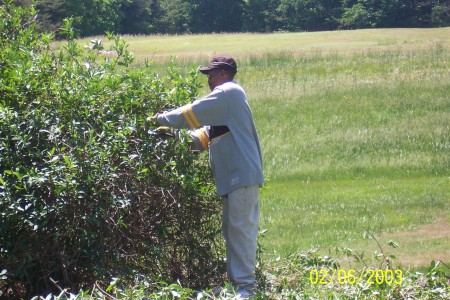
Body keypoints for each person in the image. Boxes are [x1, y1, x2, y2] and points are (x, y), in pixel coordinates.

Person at [151, 56, 264, 298]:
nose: (208, 80)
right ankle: (238, 286)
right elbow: (201, 139)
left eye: (211, 74)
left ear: (224, 73)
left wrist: (158, 118)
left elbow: (191, 113)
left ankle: (246, 288)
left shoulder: (228, 92)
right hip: (234, 179)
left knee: (240, 230)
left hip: (241, 176)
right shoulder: (223, 110)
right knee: (232, 230)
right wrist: (171, 136)